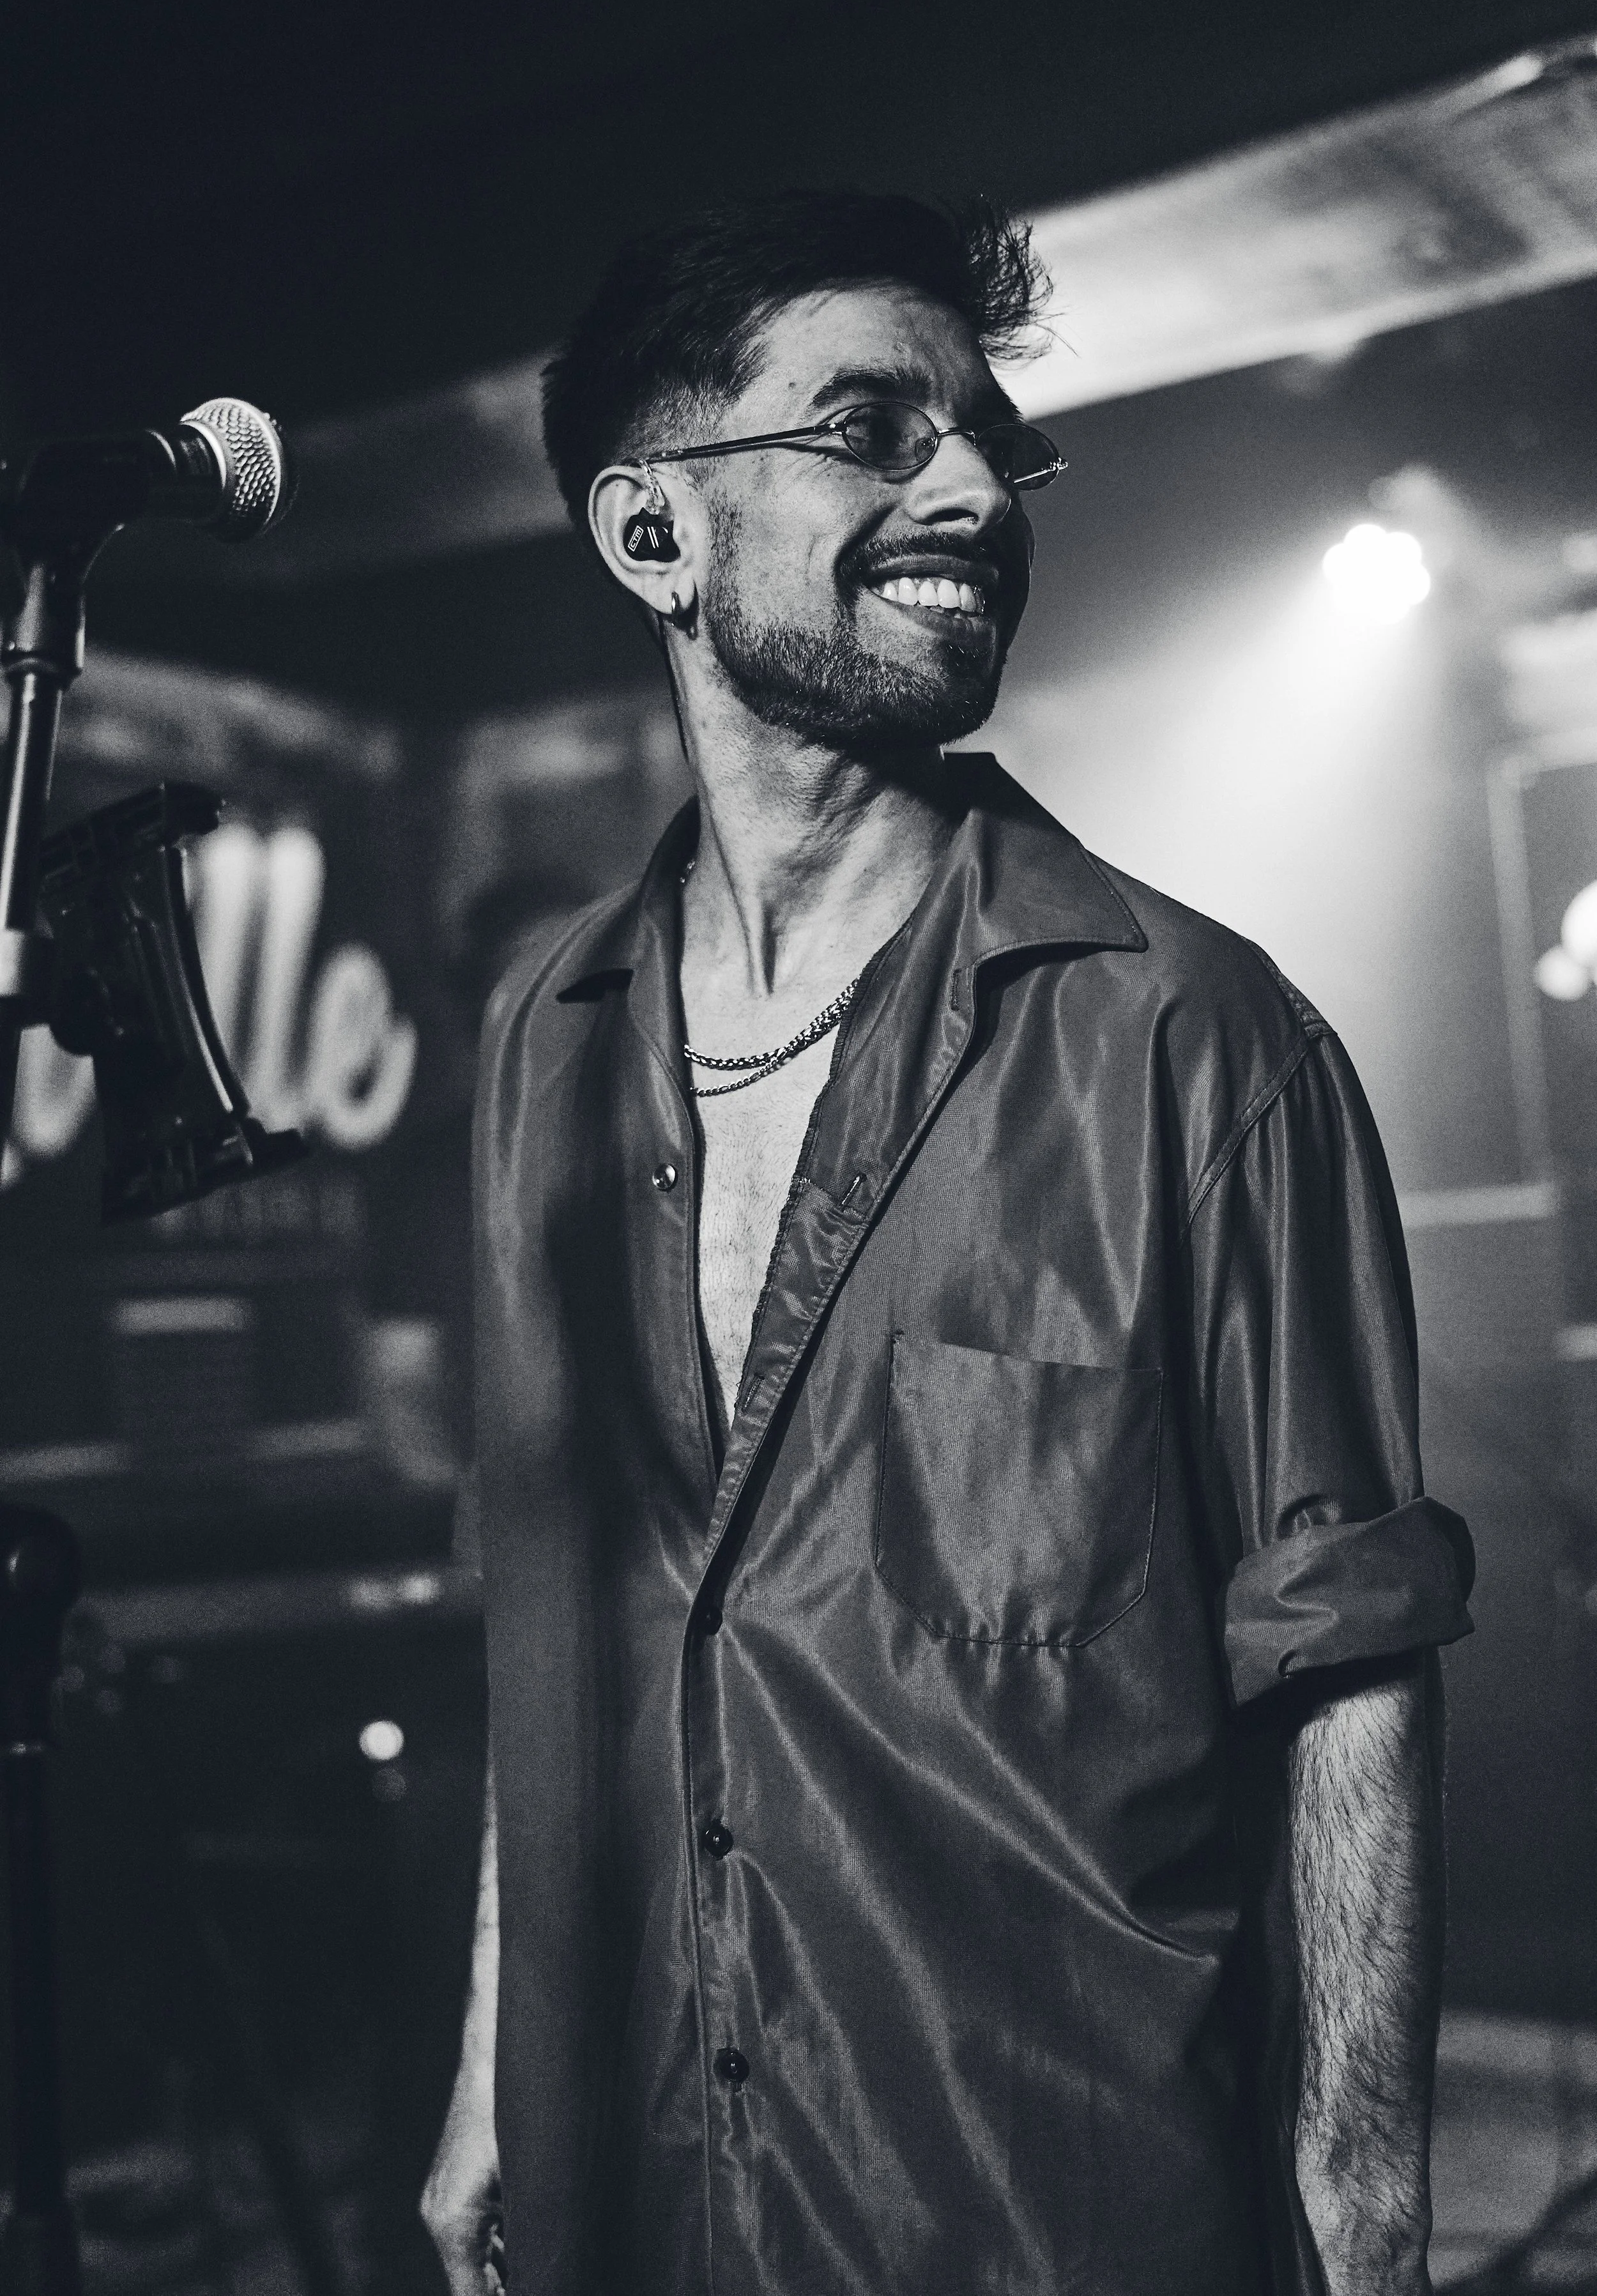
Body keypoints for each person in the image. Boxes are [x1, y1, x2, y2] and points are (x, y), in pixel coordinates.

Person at [422, 193, 1474, 2296]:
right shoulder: (545, 1038)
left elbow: (1345, 1655)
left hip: (1044, 2202)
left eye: (989, 437)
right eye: (869, 430)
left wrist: (1362, 2207)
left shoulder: (1196, 1039)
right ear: (652, 532)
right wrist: (486, 2066)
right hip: (637, 2183)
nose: (976, 492)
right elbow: (559, 1604)